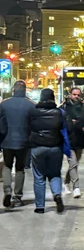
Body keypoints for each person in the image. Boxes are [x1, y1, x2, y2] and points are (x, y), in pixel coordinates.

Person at [28, 89, 71, 214]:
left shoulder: (32, 112)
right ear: (53, 98)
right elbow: (68, 129)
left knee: (39, 177)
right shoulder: (60, 113)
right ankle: (57, 195)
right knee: (55, 174)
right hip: (55, 148)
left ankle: (40, 207)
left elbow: (27, 128)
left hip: (37, 147)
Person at [0, 80, 35, 209]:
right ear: (25, 90)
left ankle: (7, 190)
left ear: (13, 90)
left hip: (7, 141)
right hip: (24, 142)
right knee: (20, 168)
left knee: (7, 166)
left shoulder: (4, 104)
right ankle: (17, 195)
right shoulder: (31, 105)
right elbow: (34, 125)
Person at [61, 87, 84, 198]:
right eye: (74, 94)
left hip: (80, 139)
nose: (76, 96)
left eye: (78, 95)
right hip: (68, 140)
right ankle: (76, 187)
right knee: (73, 163)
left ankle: (66, 183)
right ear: (70, 94)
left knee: (74, 165)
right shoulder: (64, 107)